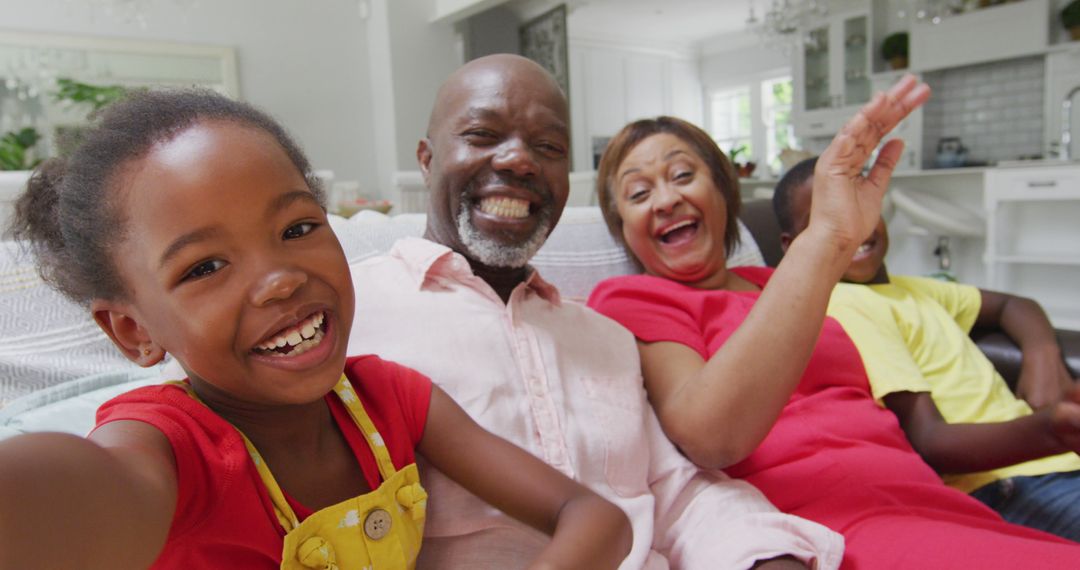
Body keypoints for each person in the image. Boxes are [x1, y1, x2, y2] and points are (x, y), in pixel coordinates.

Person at [0, 88, 634, 569]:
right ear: (134, 331)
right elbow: (79, 493)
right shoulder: (165, 446)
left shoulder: (393, 401)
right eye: (206, 267)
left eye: (298, 229)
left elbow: (592, 515)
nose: (279, 280)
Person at [348, 54, 845, 569]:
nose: (520, 160)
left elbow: (676, 494)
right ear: (427, 159)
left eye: (549, 147)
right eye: (482, 134)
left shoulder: (604, 336)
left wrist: (766, 555)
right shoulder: (351, 315)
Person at [587, 76, 1080, 567]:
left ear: (722, 189)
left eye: (681, 175)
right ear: (624, 228)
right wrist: (826, 237)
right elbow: (710, 437)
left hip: (932, 500)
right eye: (638, 193)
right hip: (827, 523)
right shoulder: (634, 297)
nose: (666, 200)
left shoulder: (785, 282)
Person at [771, 156, 1080, 541]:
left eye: (857, 206)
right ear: (792, 246)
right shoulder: (846, 305)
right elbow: (930, 441)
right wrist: (1051, 429)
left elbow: (1013, 305)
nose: (851, 228)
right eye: (825, 221)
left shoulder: (909, 287)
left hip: (1055, 465)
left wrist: (1042, 354)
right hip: (1007, 485)